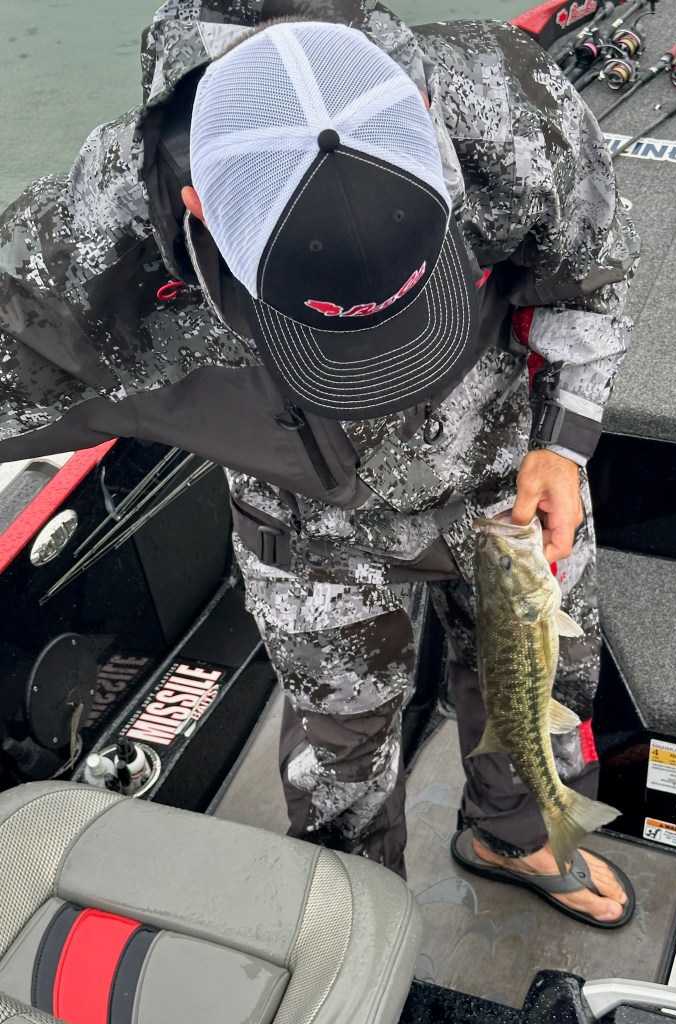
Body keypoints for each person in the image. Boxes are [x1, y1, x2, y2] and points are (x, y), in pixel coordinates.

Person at [0, 1, 640, 927]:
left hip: (505, 477)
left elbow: (592, 266)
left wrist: (563, 443)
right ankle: (358, 912)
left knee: (550, 678)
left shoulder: (505, 106)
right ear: (200, 210)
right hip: (307, 532)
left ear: (428, 122)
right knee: (340, 750)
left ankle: (517, 829)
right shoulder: (87, 251)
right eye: (334, 337)